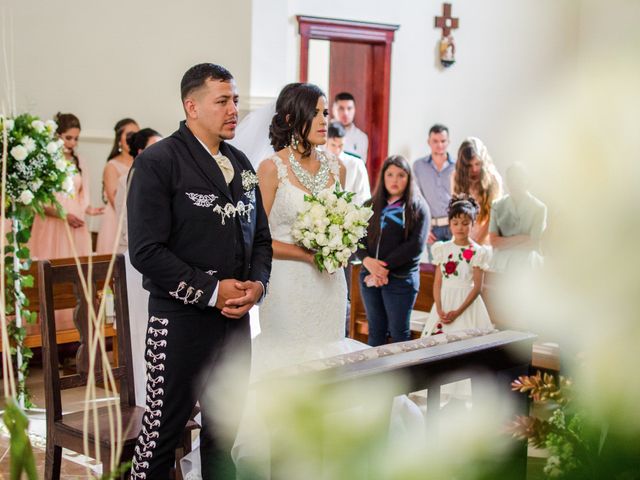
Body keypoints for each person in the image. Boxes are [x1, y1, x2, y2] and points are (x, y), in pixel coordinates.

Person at [126, 63, 272, 479]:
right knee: (161, 435)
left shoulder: (242, 164)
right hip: (180, 322)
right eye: (222, 101)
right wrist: (211, 290)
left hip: (235, 326)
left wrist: (257, 287)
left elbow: (260, 240)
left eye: (236, 101)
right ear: (192, 106)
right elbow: (146, 250)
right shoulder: (158, 162)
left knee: (225, 436)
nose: (233, 110)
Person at [231, 83, 367, 477]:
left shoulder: (336, 166)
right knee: (290, 354)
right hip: (289, 285)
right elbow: (258, 238)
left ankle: (327, 453)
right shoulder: (271, 168)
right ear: (293, 118)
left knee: (328, 353)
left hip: (329, 283)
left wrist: (340, 242)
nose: (327, 120)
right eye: (320, 113)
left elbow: (344, 219)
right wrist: (308, 253)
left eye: (327, 113)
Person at [357, 155, 430, 346]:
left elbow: (415, 245)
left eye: (400, 175)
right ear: (383, 177)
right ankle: (376, 375)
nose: (394, 180)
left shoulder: (418, 208)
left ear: (408, 178)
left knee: (399, 334)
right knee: (376, 332)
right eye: (390, 175)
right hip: (369, 277)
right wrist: (367, 261)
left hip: (400, 280)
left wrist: (384, 267)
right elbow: (357, 238)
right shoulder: (369, 206)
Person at [112, 127, 162, 407]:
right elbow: (129, 227)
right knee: (141, 326)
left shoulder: (160, 175)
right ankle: (141, 393)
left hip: (157, 261)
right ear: (141, 151)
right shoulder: (127, 178)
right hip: (137, 262)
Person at [28, 112, 104, 259]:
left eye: (76, 139)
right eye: (68, 138)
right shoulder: (44, 161)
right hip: (51, 223)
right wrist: (62, 215)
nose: (73, 143)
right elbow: (36, 201)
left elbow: (82, 194)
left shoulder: (80, 161)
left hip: (75, 222)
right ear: (57, 135)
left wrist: (89, 210)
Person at [421, 195, 493, 337]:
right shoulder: (442, 249)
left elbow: (478, 287)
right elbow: (437, 283)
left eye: (465, 223)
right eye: (455, 223)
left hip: (466, 304)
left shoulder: (477, 252)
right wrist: (439, 309)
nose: (460, 227)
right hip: (444, 303)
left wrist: (458, 312)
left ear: (472, 224)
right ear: (450, 224)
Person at [489, 162, 547, 272]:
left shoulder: (539, 208)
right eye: (511, 179)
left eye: (518, 179)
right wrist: (522, 238)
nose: (514, 183)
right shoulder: (497, 205)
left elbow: (534, 243)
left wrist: (505, 242)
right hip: (501, 263)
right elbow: (494, 241)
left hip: (528, 262)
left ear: (527, 181)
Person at [114, 128, 163, 253]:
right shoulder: (126, 181)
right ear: (141, 152)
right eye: (155, 148)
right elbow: (125, 222)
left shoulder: (166, 179)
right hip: (133, 250)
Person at [96, 117, 139, 254]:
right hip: (116, 221)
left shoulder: (141, 162)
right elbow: (115, 201)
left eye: (136, 135)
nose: (133, 139)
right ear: (119, 139)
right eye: (129, 135)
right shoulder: (112, 166)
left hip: (135, 218)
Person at [451, 137, 502, 245]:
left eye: (477, 164)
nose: (474, 169)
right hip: (465, 236)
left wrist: (476, 243)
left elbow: (494, 217)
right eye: (469, 165)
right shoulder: (455, 177)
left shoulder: (493, 179)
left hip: (487, 239)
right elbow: (456, 211)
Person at [413, 124, 455, 243]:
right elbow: (417, 198)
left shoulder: (457, 166)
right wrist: (424, 227)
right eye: (435, 141)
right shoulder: (418, 166)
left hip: (455, 226)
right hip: (432, 229)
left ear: (448, 142)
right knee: (434, 262)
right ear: (429, 142)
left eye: (443, 141)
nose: (439, 145)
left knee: (457, 261)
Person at [324, 121, 371, 205]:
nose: (337, 150)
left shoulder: (357, 164)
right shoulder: (318, 161)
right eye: (333, 145)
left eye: (340, 145)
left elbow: (364, 196)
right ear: (326, 142)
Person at [332, 92, 369, 163]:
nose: (345, 113)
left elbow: (360, 166)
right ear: (334, 110)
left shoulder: (361, 137)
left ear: (354, 110)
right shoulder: (323, 133)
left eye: (349, 108)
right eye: (341, 108)